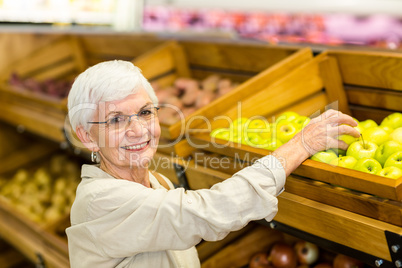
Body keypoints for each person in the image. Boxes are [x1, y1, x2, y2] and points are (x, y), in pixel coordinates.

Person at [65, 60, 360, 268]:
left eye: (145, 113)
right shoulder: (100, 202)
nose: (138, 130)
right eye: (116, 119)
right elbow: (208, 212)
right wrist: (302, 144)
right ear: (87, 137)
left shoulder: (158, 183)